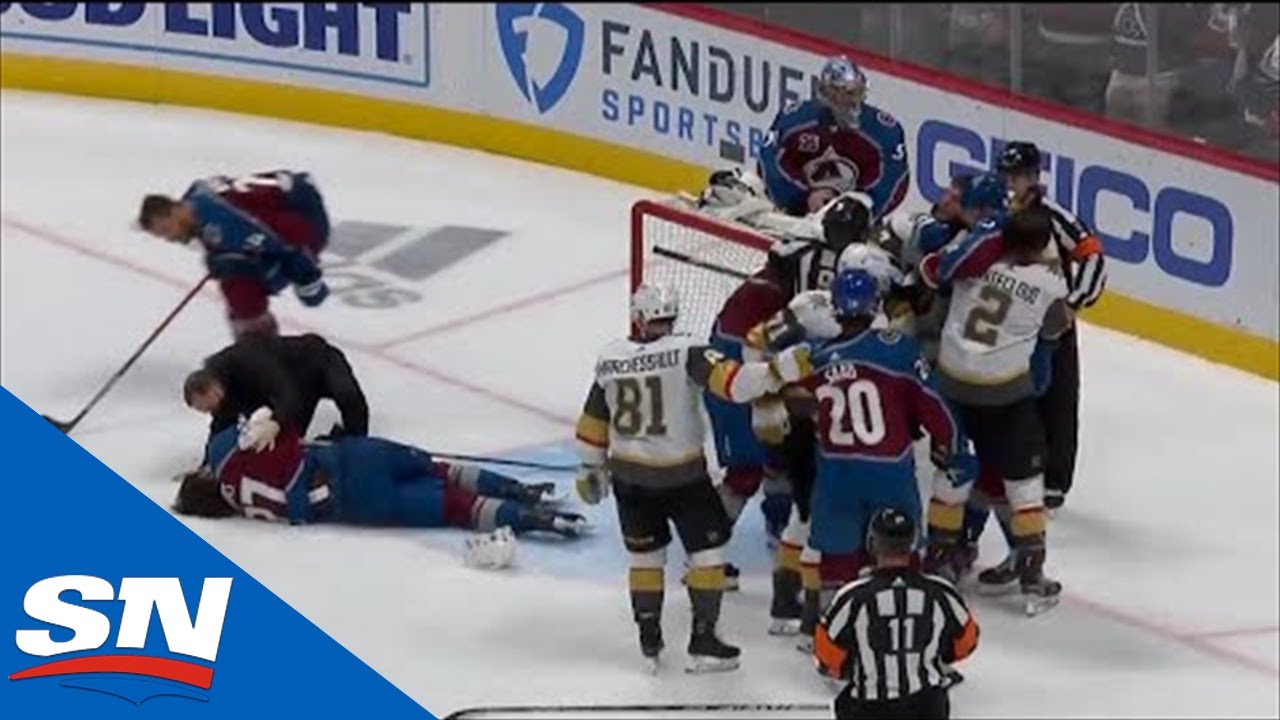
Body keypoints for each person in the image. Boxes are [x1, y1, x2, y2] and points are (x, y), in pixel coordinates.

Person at [573, 282, 798, 674]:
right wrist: (776, 372)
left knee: (645, 559)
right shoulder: (687, 350)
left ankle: (649, 638)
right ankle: (704, 640)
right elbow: (735, 385)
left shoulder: (610, 358)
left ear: (638, 317)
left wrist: (590, 467)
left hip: (629, 477)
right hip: (682, 476)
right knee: (708, 554)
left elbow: (592, 422)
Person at [755, 266, 970, 646]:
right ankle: (905, 634)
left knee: (835, 561)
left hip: (835, 474)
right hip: (889, 473)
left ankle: (823, 636)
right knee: (900, 555)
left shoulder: (814, 359)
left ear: (836, 308)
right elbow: (934, 404)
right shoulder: (898, 349)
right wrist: (954, 447)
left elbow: (773, 388)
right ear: (874, 306)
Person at [920, 206, 1071, 614]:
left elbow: (933, 271)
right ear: (1041, 246)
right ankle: (1032, 578)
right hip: (1005, 394)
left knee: (951, 475)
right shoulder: (1048, 283)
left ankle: (938, 561)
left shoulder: (972, 262)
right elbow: (1057, 327)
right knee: (1024, 486)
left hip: (950, 385)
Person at [173, 418, 576, 538]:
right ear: (203, 476)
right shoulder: (223, 453)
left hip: (356, 503)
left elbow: (298, 508)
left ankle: (536, 521)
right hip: (352, 457)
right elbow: (270, 422)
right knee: (439, 469)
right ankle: (517, 488)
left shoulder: (248, 508)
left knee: (455, 507)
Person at [815, 508, 979, 720]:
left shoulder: (851, 597)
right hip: (927, 707)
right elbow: (966, 642)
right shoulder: (941, 592)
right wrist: (937, 655)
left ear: (871, 543)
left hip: (867, 709)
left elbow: (828, 656)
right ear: (913, 544)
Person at [138, 169, 331, 338]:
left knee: (241, 288)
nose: (170, 238)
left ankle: (263, 351)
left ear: (174, 211)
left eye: (166, 230)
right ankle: (256, 344)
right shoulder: (197, 202)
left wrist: (308, 279)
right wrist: (220, 256)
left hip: (306, 217)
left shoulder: (225, 221)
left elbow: (292, 235)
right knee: (236, 280)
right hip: (288, 205)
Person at [758, 56, 909, 220]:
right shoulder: (795, 119)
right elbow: (769, 161)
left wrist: (859, 211)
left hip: (853, 222)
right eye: (841, 94)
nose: (850, 101)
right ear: (825, 93)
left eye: (853, 93)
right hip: (797, 214)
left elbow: (895, 179)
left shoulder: (884, 130)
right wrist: (802, 197)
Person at [184, 333, 368, 442]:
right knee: (288, 440)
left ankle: (358, 442)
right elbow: (221, 425)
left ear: (213, 389)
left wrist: (276, 422)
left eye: (208, 407)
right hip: (298, 386)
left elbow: (285, 391)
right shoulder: (220, 390)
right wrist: (207, 465)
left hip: (319, 362)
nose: (210, 412)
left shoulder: (246, 361)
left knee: (348, 395)